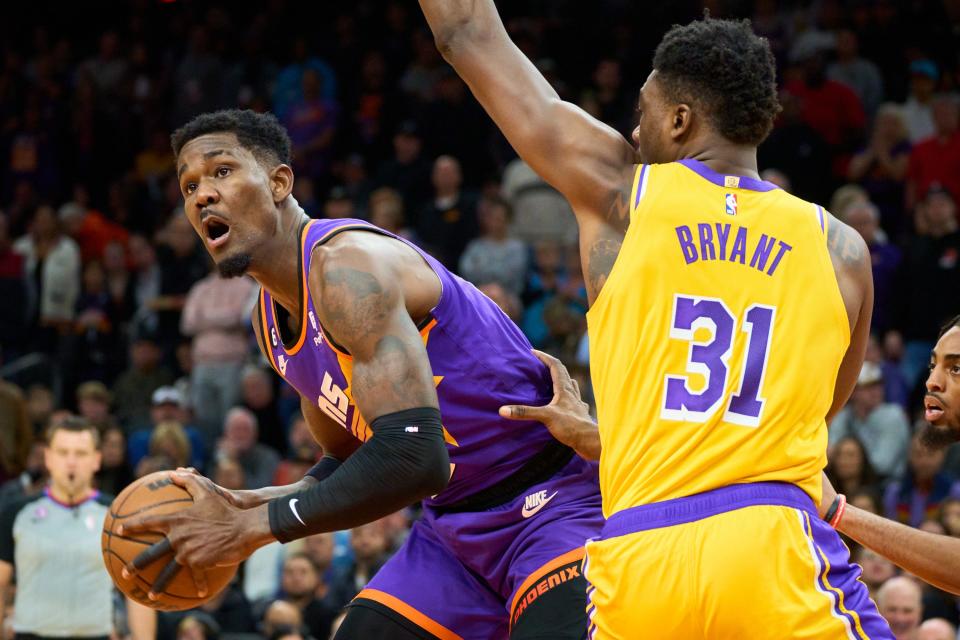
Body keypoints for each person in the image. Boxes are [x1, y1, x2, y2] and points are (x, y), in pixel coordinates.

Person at [423, 2, 889, 637]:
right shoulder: (843, 251)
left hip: (639, 555)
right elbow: (809, 415)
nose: (632, 133)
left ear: (679, 118)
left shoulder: (621, 194)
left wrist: (611, 440)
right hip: (770, 550)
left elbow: (467, 32)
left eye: (640, 112)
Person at [120, 109, 603, 639]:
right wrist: (246, 502)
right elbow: (348, 460)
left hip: (552, 501)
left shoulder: (348, 269)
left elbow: (416, 458)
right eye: (188, 186)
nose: (202, 195)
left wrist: (250, 530)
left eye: (222, 172)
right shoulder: (268, 320)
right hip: (451, 531)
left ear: (280, 182)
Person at [0, 418, 156, 640]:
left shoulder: (118, 516)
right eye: (63, 453)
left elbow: (138, 593)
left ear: (96, 460)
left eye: (81, 454)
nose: (71, 462)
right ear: (48, 458)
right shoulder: (17, 513)